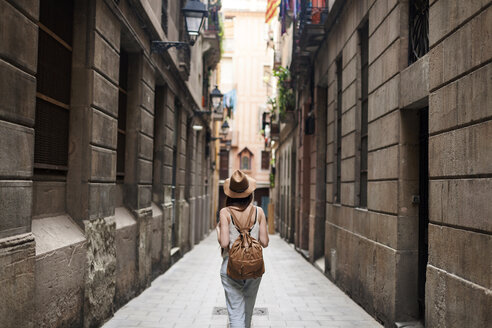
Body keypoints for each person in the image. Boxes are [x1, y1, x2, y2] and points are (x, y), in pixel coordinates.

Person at [217, 170, 269, 328]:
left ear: (230, 194)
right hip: (254, 267)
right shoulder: (259, 212)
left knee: (235, 312)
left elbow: (225, 243)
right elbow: (265, 242)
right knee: (248, 310)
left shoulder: (225, 212)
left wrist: (219, 230)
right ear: (249, 192)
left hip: (231, 266)